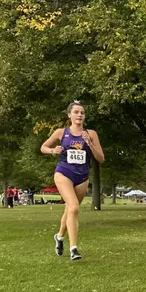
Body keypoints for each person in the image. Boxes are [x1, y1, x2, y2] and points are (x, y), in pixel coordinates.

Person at [41, 101, 105, 261]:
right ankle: (74, 248)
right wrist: (52, 150)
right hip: (63, 173)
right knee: (74, 207)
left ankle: (60, 237)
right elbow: (43, 147)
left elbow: (101, 158)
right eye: (76, 112)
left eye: (82, 112)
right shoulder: (61, 133)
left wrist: (89, 143)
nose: (79, 115)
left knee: (69, 210)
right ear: (69, 115)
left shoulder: (91, 134)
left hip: (82, 176)